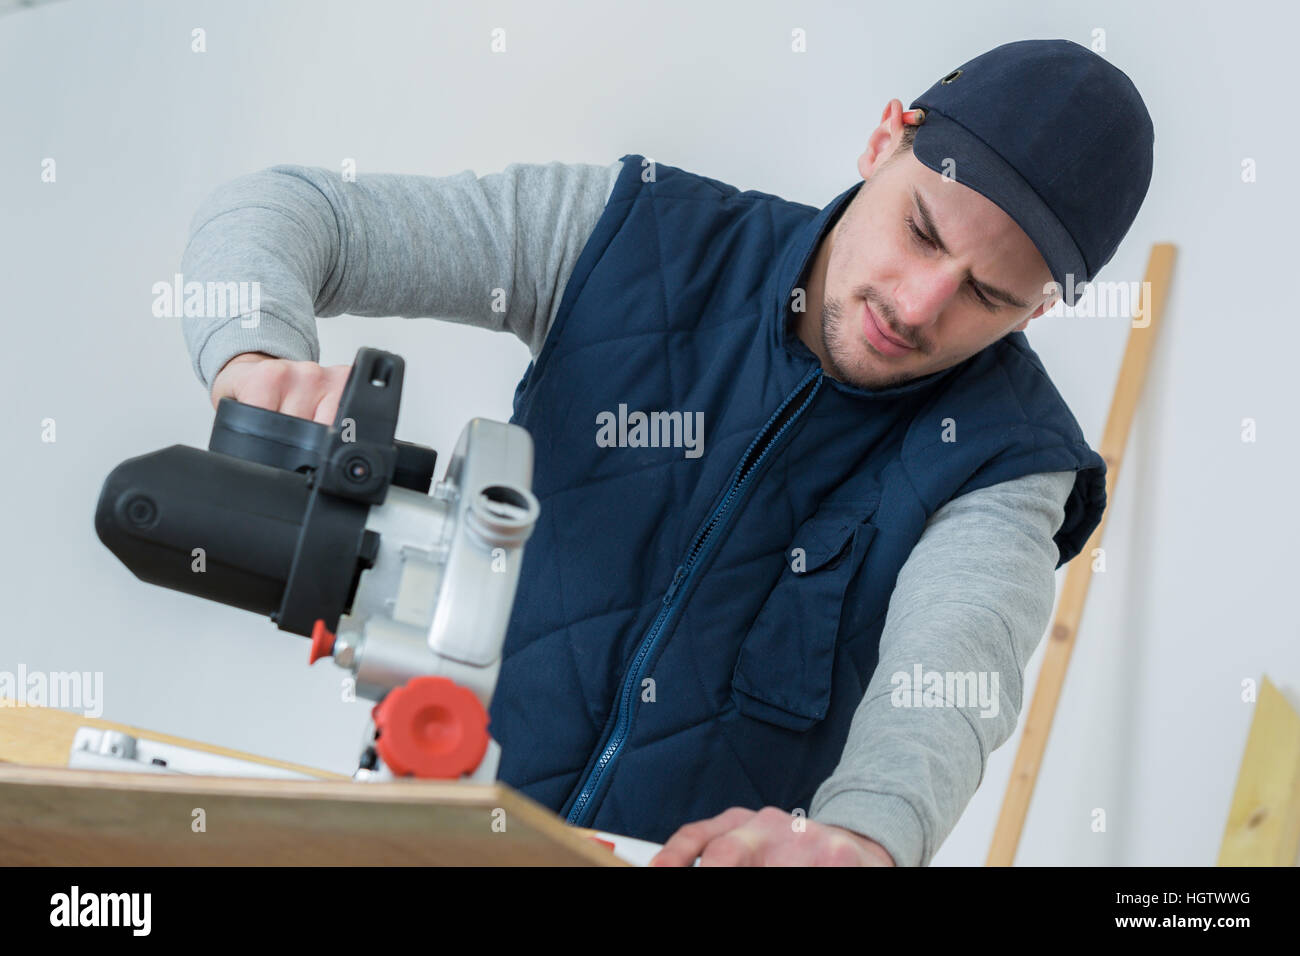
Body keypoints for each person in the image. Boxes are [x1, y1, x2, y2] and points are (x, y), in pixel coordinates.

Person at [182, 39, 1154, 866]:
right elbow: (289, 211)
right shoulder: (632, 235)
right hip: (429, 838)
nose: (918, 304)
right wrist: (255, 357)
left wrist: (864, 837)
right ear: (883, 138)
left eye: (987, 295)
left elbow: (948, 680)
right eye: (918, 229)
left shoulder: (1009, 463)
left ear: (1041, 307)